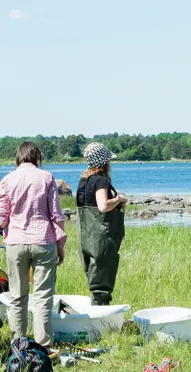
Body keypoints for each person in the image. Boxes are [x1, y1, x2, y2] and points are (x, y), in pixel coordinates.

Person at [0, 141, 66, 348]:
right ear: (37, 158)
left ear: (18, 158)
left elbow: (2, 217)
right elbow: (56, 215)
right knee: (43, 297)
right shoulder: (46, 177)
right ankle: (43, 347)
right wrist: (61, 245)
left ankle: (18, 345)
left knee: (17, 296)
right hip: (44, 241)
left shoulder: (7, 180)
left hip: (16, 243)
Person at [76, 142, 127, 305]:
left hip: (85, 236)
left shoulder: (84, 181)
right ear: (105, 162)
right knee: (102, 279)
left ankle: (96, 310)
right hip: (100, 237)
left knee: (93, 276)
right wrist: (119, 199)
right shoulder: (100, 181)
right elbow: (103, 206)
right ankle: (102, 315)